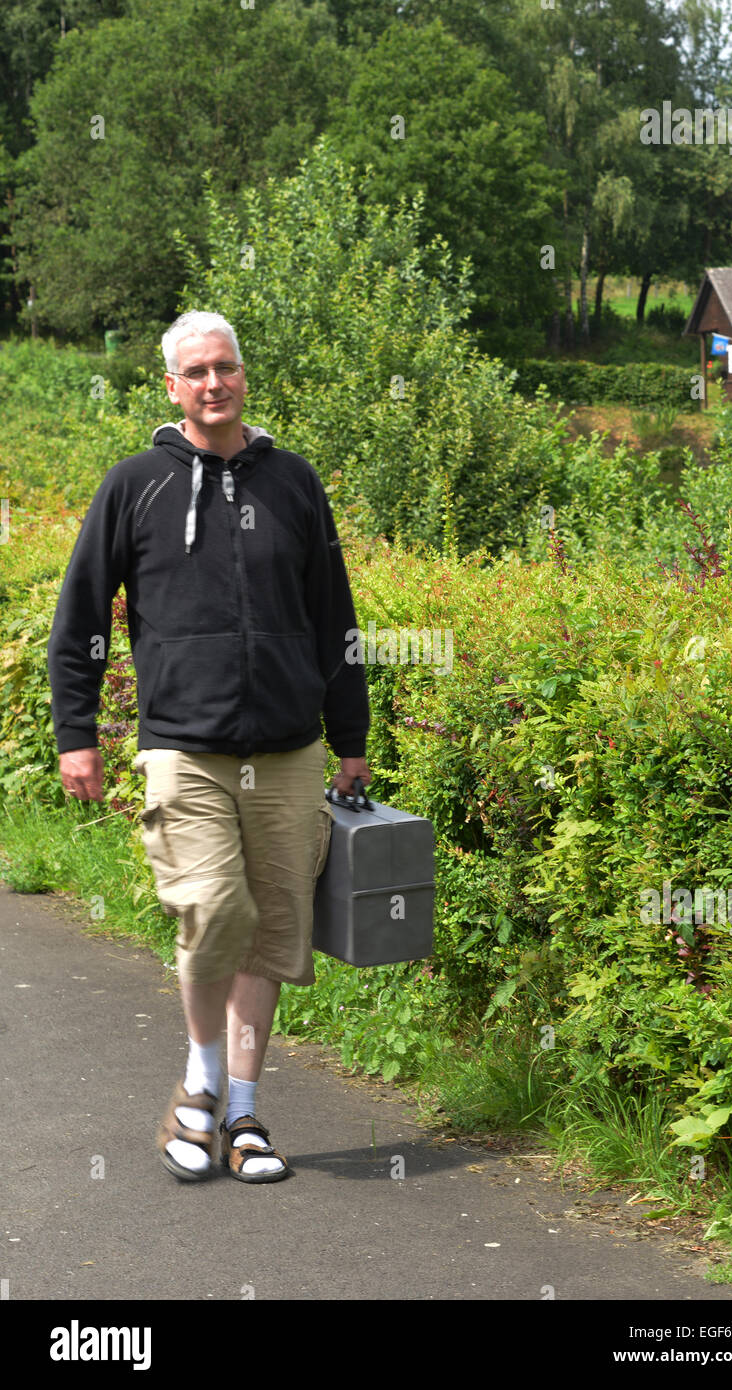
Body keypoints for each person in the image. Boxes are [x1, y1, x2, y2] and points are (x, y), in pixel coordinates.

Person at [47, 310, 371, 1184]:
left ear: (243, 374)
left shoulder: (296, 483)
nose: (213, 383)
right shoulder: (135, 485)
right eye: (195, 372)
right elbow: (81, 617)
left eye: (225, 367)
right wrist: (77, 733)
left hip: (291, 750)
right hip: (182, 750)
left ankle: (243, 1111)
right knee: (214, 913)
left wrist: (351, 737)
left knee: (271, 933)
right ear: (171, 387)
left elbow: (334, 617)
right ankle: (198, 1083)